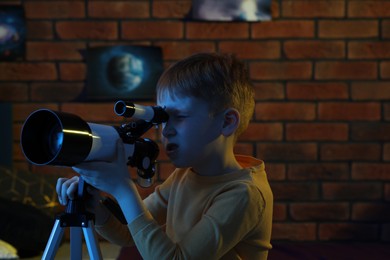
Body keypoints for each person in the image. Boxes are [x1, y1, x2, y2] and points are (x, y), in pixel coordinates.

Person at [57, 52, 273, 259]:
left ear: (226, 122)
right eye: (163, 118)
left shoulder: (245, 194)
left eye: (179, 116)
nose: (165, 130)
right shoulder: (182, 177)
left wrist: (123, 189)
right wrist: (96, 206)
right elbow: (128, 232)